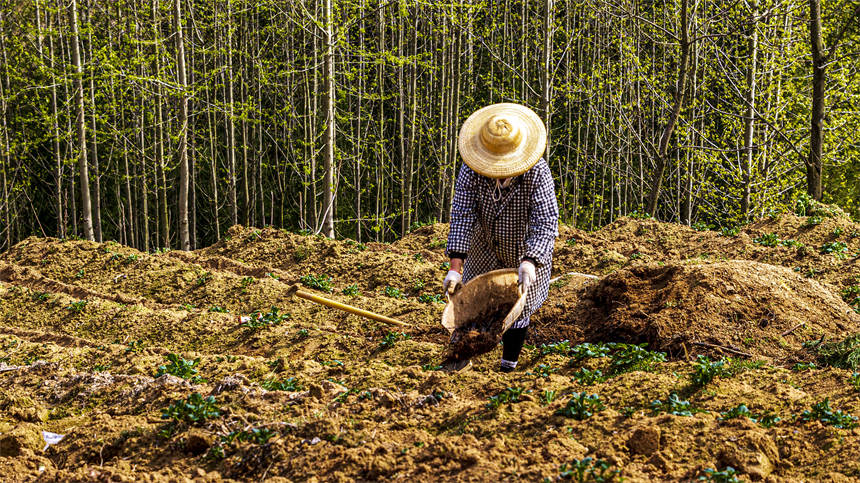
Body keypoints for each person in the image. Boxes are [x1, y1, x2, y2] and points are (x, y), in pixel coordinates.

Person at [443, 103, 559, 372]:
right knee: (471, 307)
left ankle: (509, 365)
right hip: (484, 248)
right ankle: (459, 361)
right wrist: (455, 268)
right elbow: (462, 216)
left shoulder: (537, 174)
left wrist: (530, 261)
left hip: (524, 250)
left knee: (519, 308)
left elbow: (545, 221)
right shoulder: (471, 170)